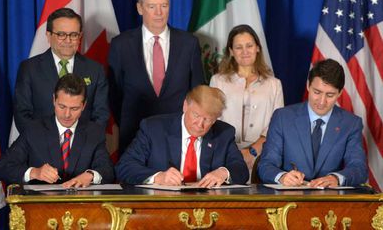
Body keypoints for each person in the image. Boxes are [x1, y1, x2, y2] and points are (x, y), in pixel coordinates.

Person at [108, 0, 204, 155]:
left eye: (164, 5)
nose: (159, 13)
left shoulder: (189, 43)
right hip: (134, 136)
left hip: (178, 137)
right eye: (152, 6)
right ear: (139, 8)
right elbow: (115, 95)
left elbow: (198, 91)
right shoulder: (120, 45)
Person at [258, 59, 367, 187]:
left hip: (330, 202)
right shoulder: (282, 118)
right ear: (308, 85)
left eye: (330, 95)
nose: (322, 101)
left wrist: (336, 178)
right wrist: (282, 177)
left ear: (340, 93)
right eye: (317, 92)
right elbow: (266, 165)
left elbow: (359, 168)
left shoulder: (351, 123)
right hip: (289, 197)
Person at [0, 74, 114, 186]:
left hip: (80, 206)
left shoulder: (94, 132)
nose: (67, 114)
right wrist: (35, 172)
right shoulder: (34, 130)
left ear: (84, 105)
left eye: (74, 108)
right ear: (54, 100)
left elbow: (108, 170)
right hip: (41, 206)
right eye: (62, 106)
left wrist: (90, 176)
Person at [115, 85, 248, 187]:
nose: (199, 125)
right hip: (162, 207)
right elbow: (124, 167)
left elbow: (241, 169)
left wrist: (223, 173)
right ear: (185, 106)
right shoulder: (153, 129)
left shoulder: (224, 133)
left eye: (208, 120)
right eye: (196, 115)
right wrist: (159, 177)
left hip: (207, 205)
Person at [14, 7, 108, 133]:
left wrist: (80, 146)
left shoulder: (96, 70)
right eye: (61, 35)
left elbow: (101, 116)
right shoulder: (29, 69)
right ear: (49, 35)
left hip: (83, 149)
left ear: (80, 36)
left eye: (73, 35)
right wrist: (45, 144)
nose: (68, 40)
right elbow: (22, 116)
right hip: (40, 148)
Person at [210, 24, 283, 174]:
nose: (245, 52)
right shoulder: (218, 81)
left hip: (264, 155)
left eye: (249, 45)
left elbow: (277, 125)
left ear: (257, 48)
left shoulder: (274, 84)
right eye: (238, 47)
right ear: (231, 51)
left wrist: (253, 151)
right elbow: (212, 120)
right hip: (224, 154)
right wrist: (234, 153)